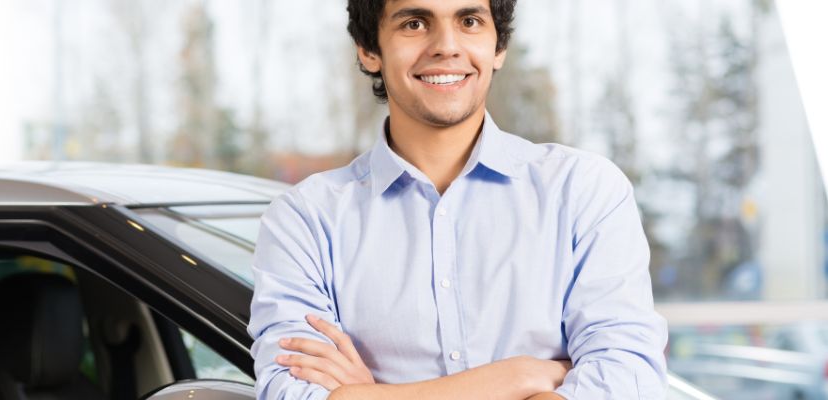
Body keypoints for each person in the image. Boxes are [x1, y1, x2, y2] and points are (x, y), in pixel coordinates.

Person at [247, 0, 668, 398]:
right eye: (415, 23)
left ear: (498, 45)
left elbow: (627, 380)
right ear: (369, 49)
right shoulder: (304, 219)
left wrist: (373, 395)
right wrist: (520, 376)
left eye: (469, 21)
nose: (446, 47)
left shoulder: (583, 191)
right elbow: (292, 392)